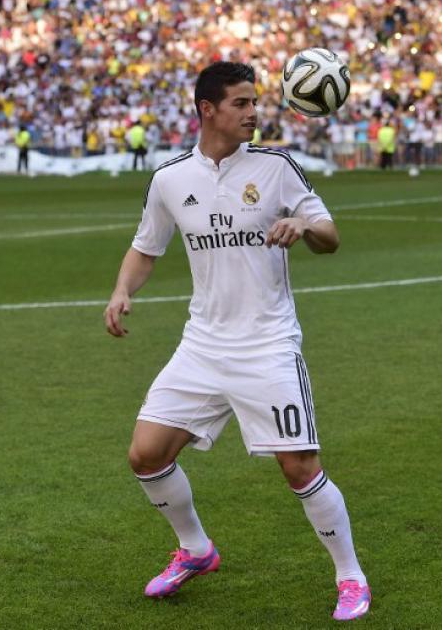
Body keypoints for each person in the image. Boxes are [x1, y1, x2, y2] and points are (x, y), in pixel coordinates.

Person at [103, 61, 370, 622]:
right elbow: (146, 247)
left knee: (299, 466)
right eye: (242, 104)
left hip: (267, 345)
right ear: (208, 110)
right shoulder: (171, 179)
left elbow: (332, 236)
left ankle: (350, 576)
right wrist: (121, 290)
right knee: (145, 455)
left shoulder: (276, 169)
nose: (254, 112)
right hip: (202, 344)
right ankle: (196, 549)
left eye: (255, 102)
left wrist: (303, 227)